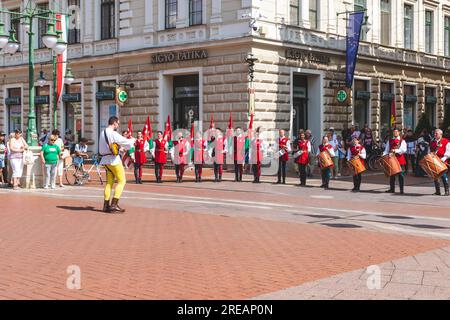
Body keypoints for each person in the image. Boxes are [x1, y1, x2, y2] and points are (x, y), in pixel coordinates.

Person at [99, 116, 134, 213]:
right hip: (113, 160)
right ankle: (114, 204)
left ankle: (106, 205)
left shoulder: (102, 133)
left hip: (105, 160)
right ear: (114, 123)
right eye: (117, 123)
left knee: (109, 183)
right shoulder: (113, 133)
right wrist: (133, 140)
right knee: (122, 181)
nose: (118, 125)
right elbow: (126, 142)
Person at [383, 128, 407, 194]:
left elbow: (403, 150)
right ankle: (392, 189)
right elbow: (386, 149)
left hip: (400, 160)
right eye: (394, 132)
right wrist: (384, 155)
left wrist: (395, 151)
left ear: (399, 133)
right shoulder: (390, 140)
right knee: (392, 175)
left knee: (401, 175)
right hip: (391, 159)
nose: (395, 133)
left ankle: (401, 190)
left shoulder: (402, 141)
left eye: (396, 132)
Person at [429, 129, 450, 196]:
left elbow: (448, 151)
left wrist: (443, 159)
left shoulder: (446, 141)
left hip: (442, 161)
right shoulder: (432, 142)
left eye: (436, 133)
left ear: (441, 134)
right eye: (434, 133)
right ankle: (437, 191)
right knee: (435, 176)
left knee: (443, 175)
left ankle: (447, 191)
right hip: (434, 161)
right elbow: (430, 151)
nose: (435, 135)